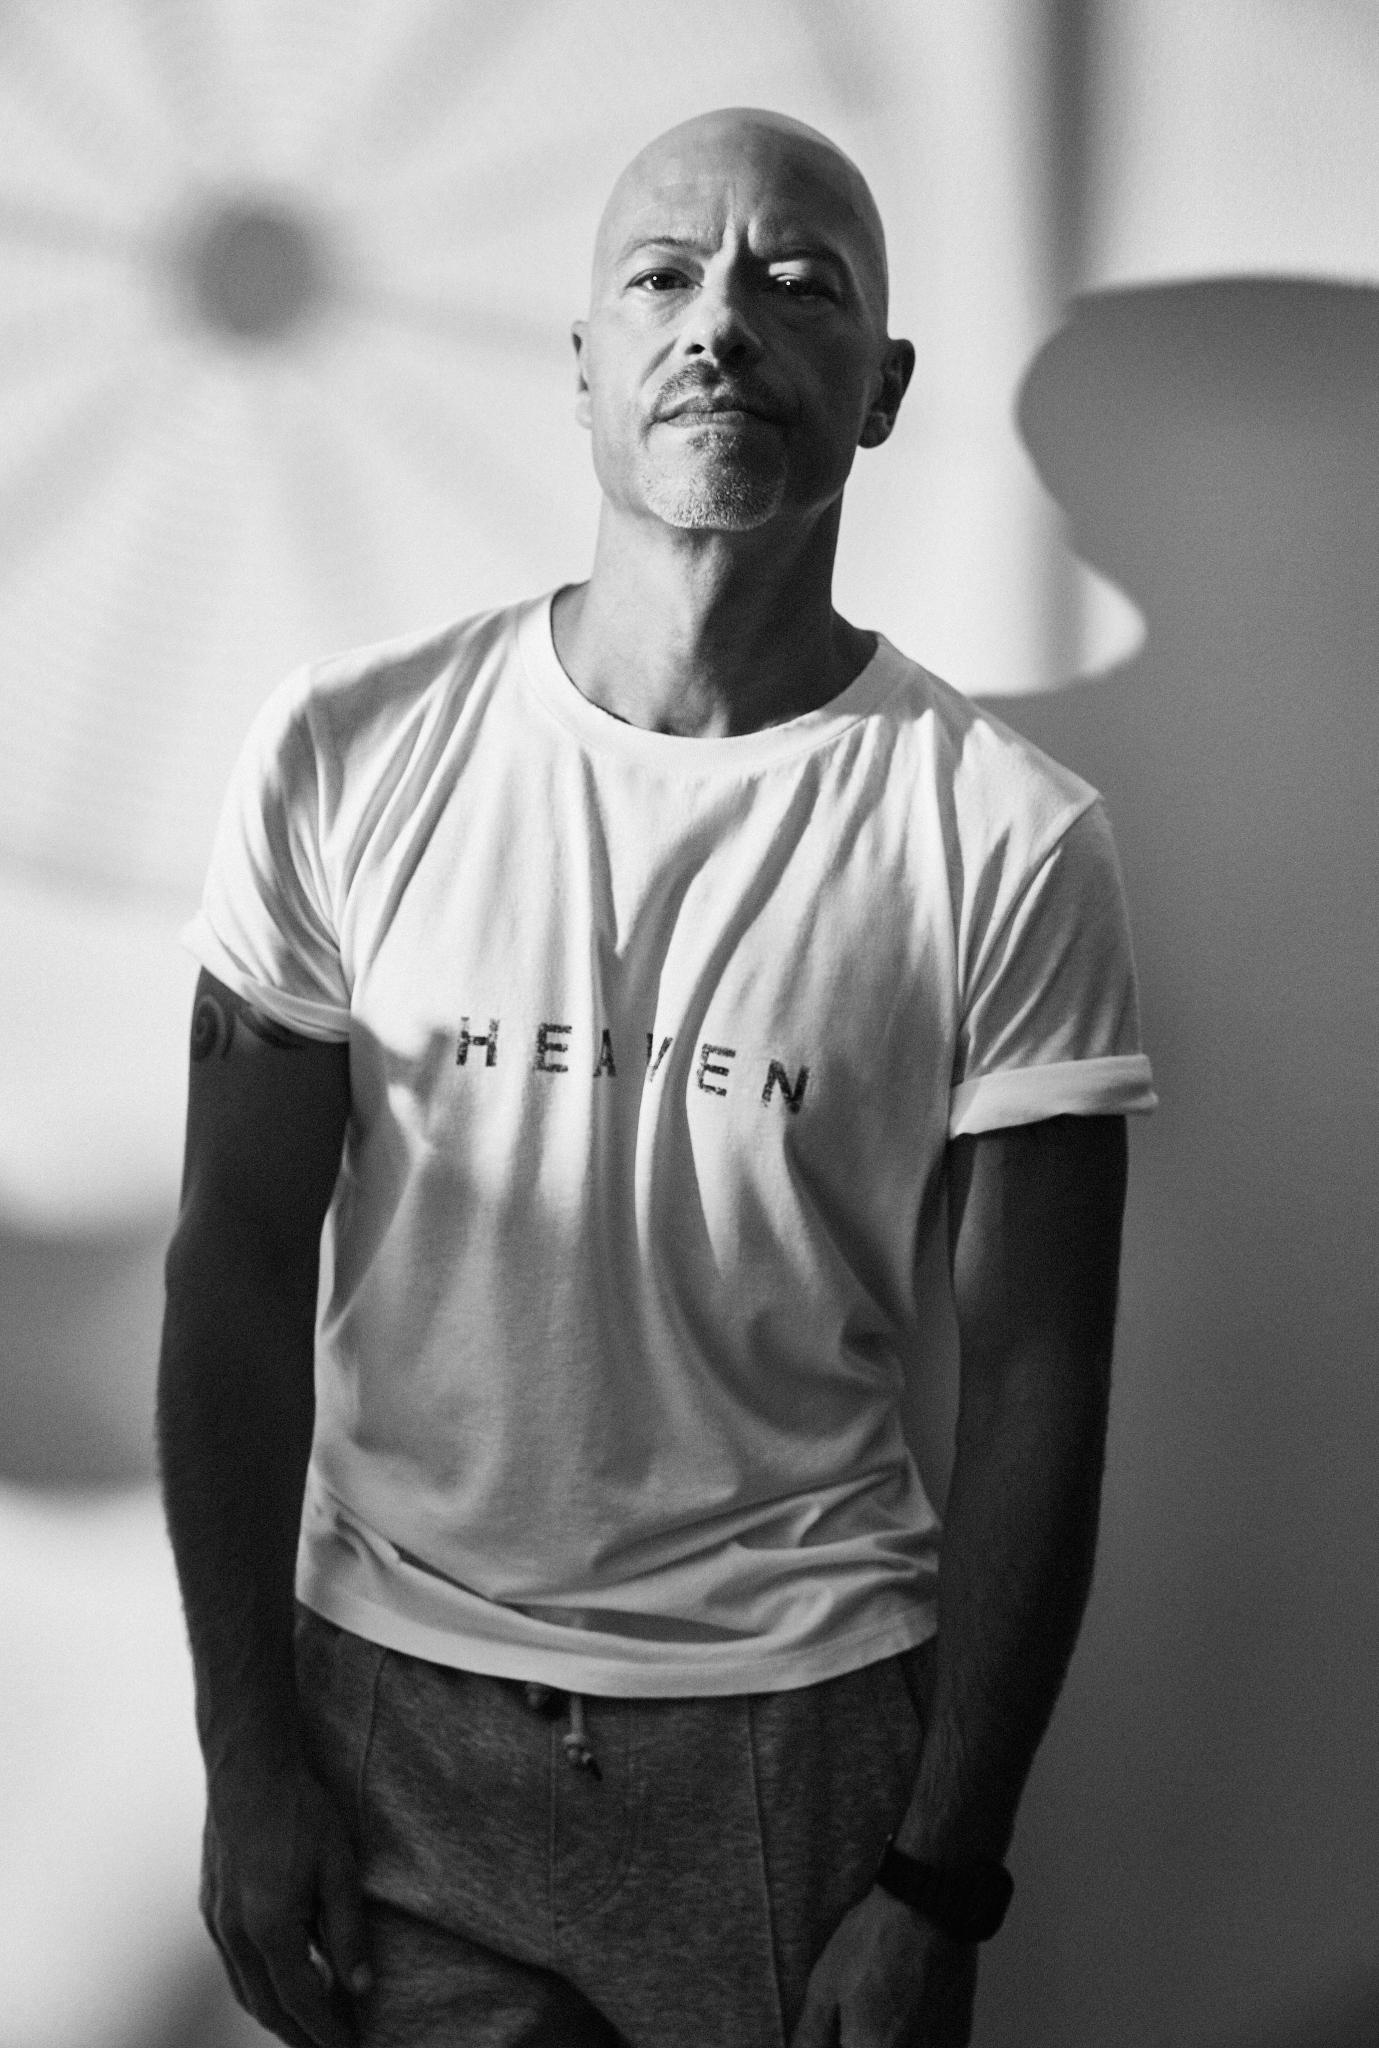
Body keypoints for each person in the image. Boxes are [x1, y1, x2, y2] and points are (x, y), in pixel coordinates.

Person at [157, 106, 1156, 2048]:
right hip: (387, 1723)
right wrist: (246, 1751)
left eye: (799, 282)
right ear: (585, 362)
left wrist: (939, 1879)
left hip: (800, 1755)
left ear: (882, 389)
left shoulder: (1006, 835)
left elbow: (1041, 1375)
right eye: (665, 274)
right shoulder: (347, 748)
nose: (723, 320)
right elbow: (236, 1256)